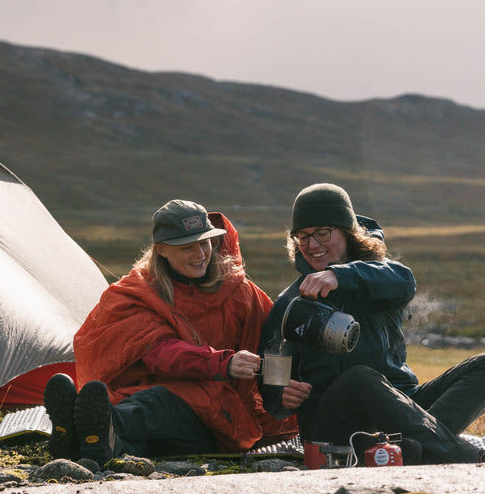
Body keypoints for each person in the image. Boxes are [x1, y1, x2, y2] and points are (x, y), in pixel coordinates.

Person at [259, 183, 485, 465]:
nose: (312, 245)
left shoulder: (377, 275)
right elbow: (271, 381)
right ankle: (467, 456)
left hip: (402, 401)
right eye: (302, 237)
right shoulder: (291, 303)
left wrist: (340, 276)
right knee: (359, 377)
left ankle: (414, 448)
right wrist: (282, 394)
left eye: (322, 233)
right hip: (335, 421)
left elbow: (403, 280)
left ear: (347, 232)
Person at [44, 199, 297, 465]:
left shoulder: (240, 292)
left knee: (162, 403)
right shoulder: (138, 293)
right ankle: (95, 442)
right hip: (163, 409)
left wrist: (283, 387)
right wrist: (225, 363)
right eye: (187, 247)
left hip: (219, 417)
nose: (200, 254)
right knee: (148, 422)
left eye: (205, 243)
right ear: (162, 250)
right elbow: (160, 352)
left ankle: (89, 429)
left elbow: (275, 343)